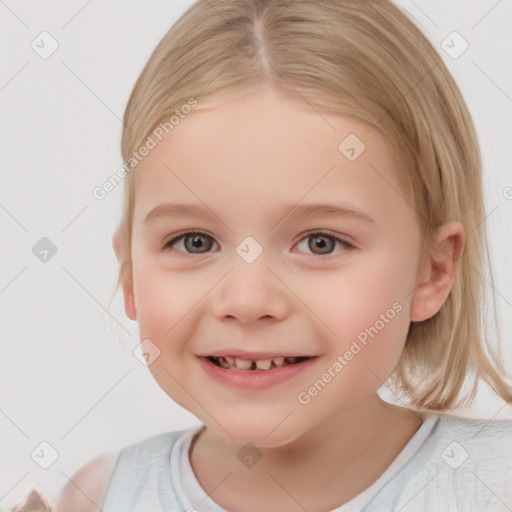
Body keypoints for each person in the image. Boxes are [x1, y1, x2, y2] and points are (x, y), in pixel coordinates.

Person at [57, 0, 512, 510]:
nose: (248, 301)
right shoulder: (97, 497)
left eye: (322, 243)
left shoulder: (495, 486)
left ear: (433, 271)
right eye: (194, 242)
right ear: (131, 273)